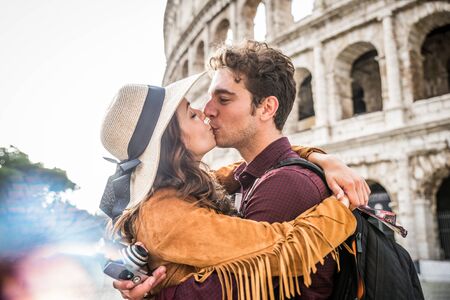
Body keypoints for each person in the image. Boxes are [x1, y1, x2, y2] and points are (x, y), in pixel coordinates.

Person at [114, 41, 370, 300]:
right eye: (192, 114)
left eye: (223, 99)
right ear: (169, 142)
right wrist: (342, 205)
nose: (207, 111)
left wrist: (319, 158)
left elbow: (265, 260)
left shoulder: (281, 184)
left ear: (267, 108)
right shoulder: (169, 207)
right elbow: (270, 257)